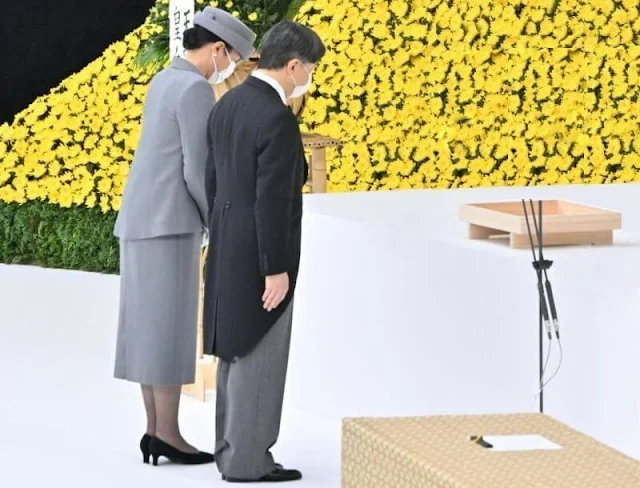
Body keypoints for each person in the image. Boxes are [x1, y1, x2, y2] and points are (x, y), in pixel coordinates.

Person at [112, 7, 255, 466]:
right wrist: (219, 220)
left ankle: (155, 430)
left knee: (147, 328)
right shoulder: (195, 89)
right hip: (170, 221)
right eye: (232, 56)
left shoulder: (164, 80)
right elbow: (197, 167)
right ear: (217, 49)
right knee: (169, 329)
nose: (231, 66)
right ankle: (168, 434)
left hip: (141, 219)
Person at [203, 21, 326, 483]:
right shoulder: (275, 117)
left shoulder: (227, 105)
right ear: (293, 65)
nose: (308, 77)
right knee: (260, 354)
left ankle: (230, 452)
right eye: (309, 68)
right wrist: (275, 269)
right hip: (260, 254)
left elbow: (213, 182)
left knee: (233, 353)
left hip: (226, 244)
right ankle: (250, 462)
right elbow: (272, 201)